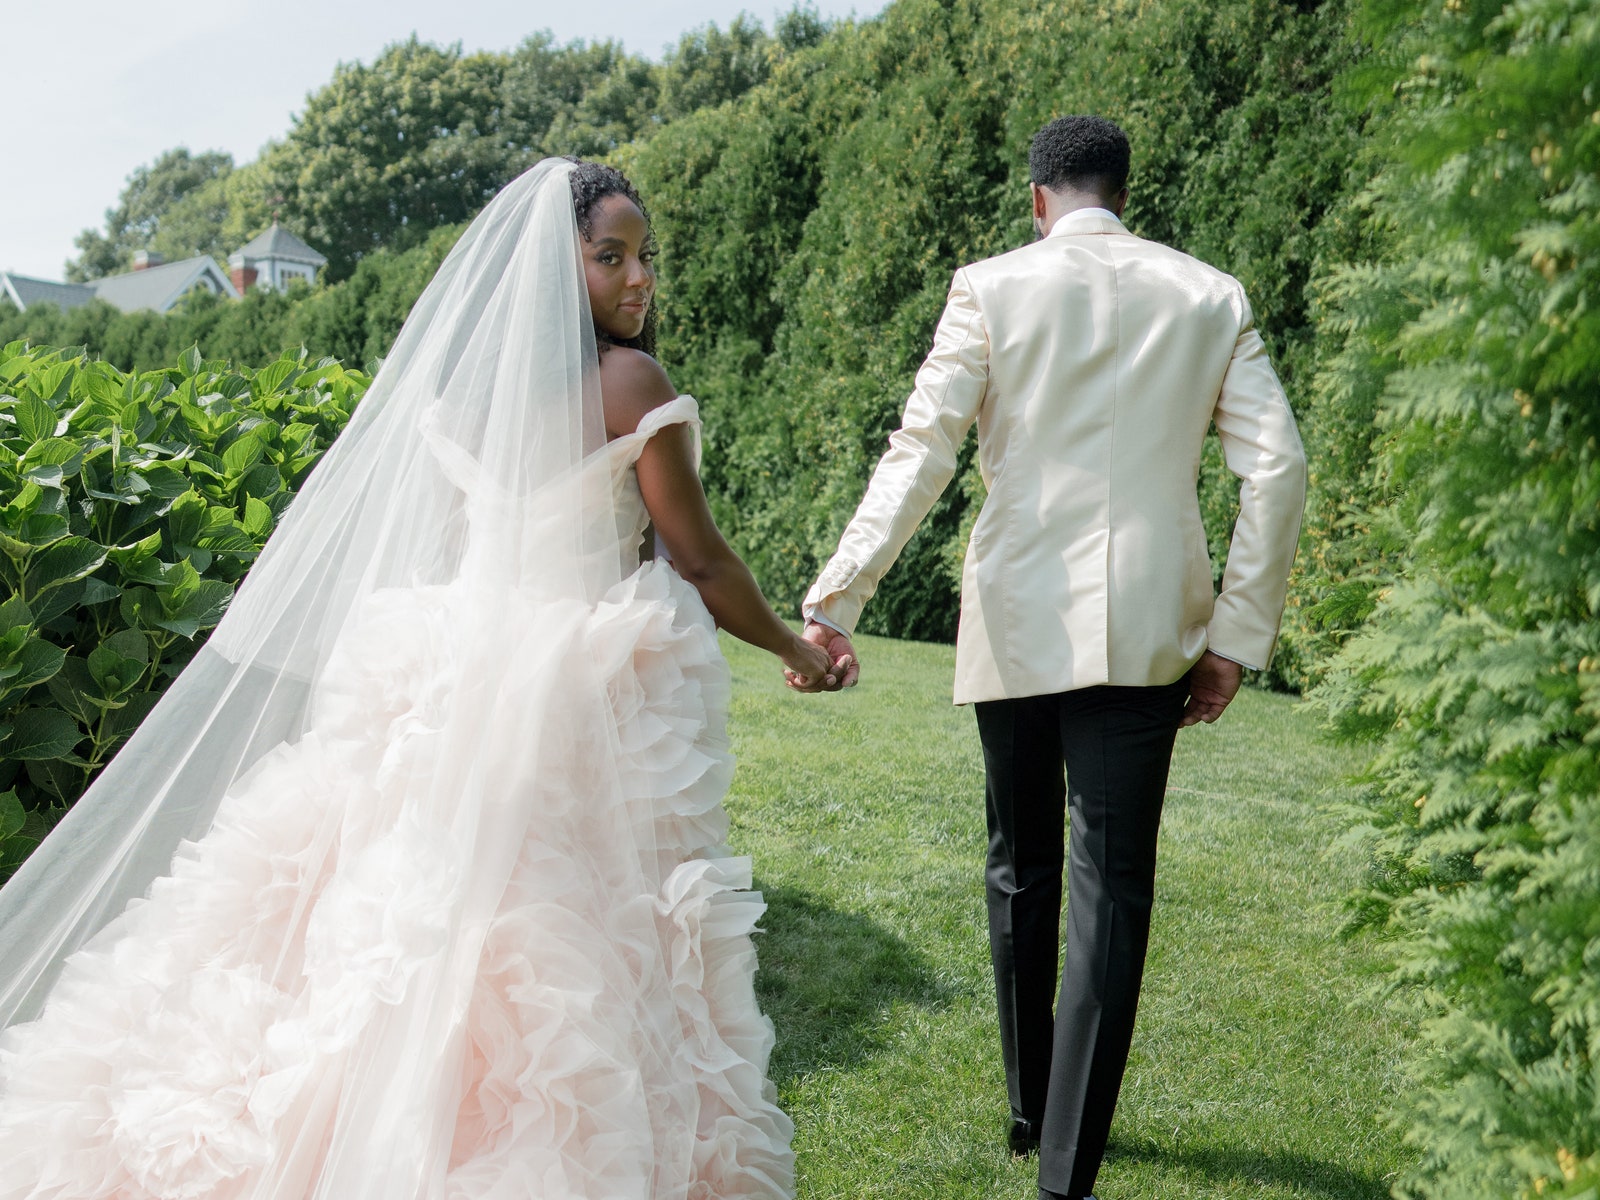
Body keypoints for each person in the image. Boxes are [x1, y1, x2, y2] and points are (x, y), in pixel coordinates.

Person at [0, 158, 830, 1199]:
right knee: (566, 933)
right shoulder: (630, 385)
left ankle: (366, 1131)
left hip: (449, 672)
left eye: (644, 258)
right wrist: (799, 650)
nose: (637, 280)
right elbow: (701, 563)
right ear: (551, 266)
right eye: (609, 255)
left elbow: (457, 545)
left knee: (408, 916)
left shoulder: (467, 400)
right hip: (579, 684)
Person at [793, 115, 1307, 1200]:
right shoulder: (1209, 294)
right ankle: (1063, 1167)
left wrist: (838, 597)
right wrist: (1235, 639)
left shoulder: (989, 287)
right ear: (1126, 192)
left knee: (1017, 865)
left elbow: (919, 451)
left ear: (1037, 199)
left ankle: (1030, 1111)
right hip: (1149, 629)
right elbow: (1279, 471)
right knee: (1110, 887)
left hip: (1017, 614)